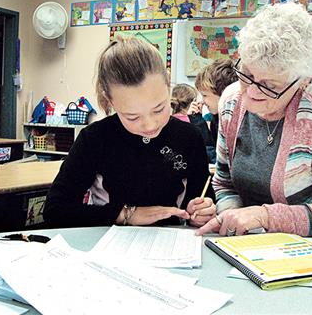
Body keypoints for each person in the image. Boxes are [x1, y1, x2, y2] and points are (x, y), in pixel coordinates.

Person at [197, 3, 312, 237]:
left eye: (270, 85)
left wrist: (265, 217)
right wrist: (232, 220)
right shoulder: (232, 101)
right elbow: (225, 185)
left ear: (303, 81)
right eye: (248, 75)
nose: (252, 92)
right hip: (257, 245)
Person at [44, 36, 215, 228]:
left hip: (172, 246)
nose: (150, 125)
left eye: (159, 109)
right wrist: (125, 214)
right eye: (132, 117)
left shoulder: (189, 136)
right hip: (109, 243)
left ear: (168, 84)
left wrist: (202, 211)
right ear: (109, 100)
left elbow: (203, 197)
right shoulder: (94, 139)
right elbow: (55, 210)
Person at [195, 59, 239, 146]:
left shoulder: (239, 125)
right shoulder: (215, 120)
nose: (202, 101)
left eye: (205, 95)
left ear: (223, 93)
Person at [171, 83, 216, 163]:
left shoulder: (166, 121)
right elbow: (208, 147)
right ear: (194, 101)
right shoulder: (196, 122)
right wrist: (197, 117)